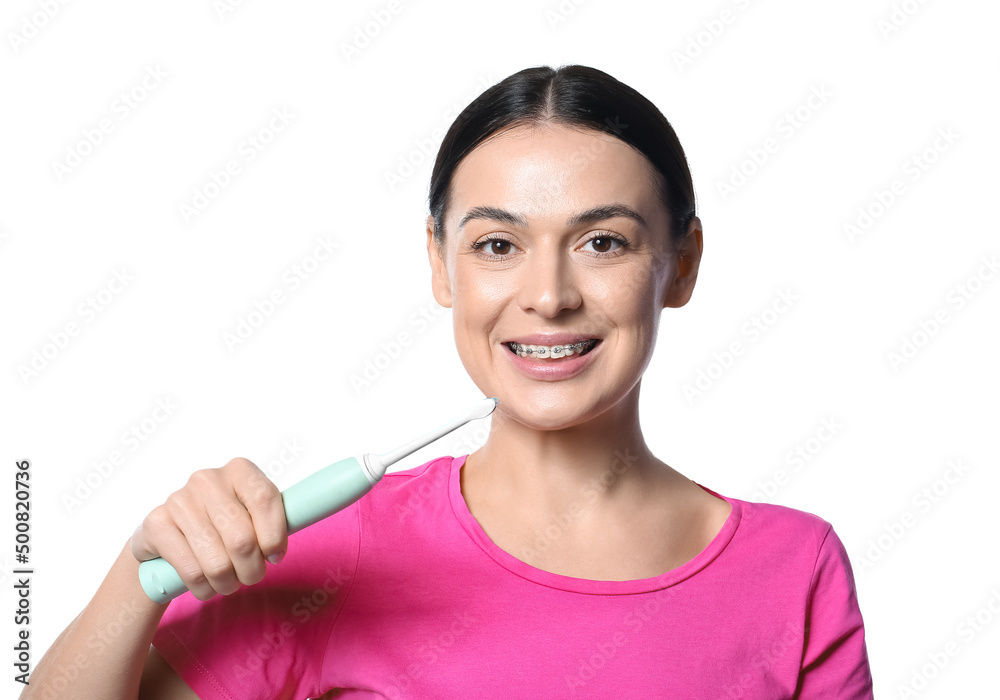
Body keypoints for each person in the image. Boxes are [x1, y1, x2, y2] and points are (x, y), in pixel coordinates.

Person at [24, 64, 873, 699]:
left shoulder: (795, 570)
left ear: (680, 264)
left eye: (603, 242)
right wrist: (136, 574)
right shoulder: (330, 550)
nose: (548, 295)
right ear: (442, 266)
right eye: (497, 245)